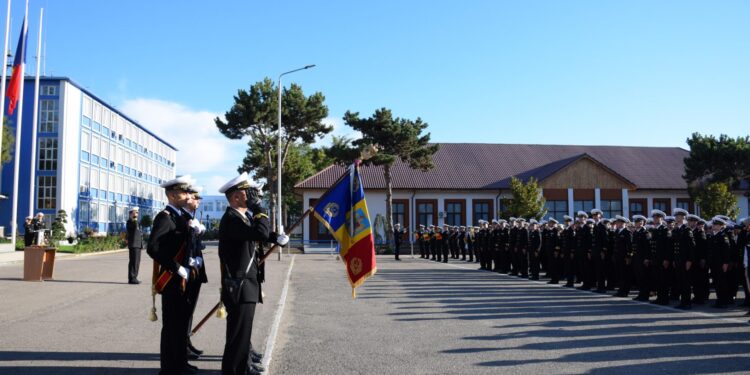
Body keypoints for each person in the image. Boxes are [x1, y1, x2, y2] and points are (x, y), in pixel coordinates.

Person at [218, 172, 288, 375]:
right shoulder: (231, 219)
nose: (252, 196)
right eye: (248, 193)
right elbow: (258, 233)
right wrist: (259, 209)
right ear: (236, 197)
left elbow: (257, 235)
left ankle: (243, 367)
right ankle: (234, 371)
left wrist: (276, 238)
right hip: (239, 285)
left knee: (243, 334)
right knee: (238, 335)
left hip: (245, 283)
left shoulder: (240, 218)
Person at [146, 175, 196, 375]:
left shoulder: (181, 216)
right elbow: (153, 248)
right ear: (173, 195)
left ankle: (180, 364)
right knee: (171, 327)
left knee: (181, 324)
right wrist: (175, 267)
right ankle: (169, 369)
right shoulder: (165, 217)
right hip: (171, 279)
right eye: (184, 192)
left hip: (183, 278)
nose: (188, 196)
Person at [183, 184, 208, 360]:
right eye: (195, 198)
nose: (197, 201)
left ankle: (186, 342)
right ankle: (183, 346)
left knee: (189, 310)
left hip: (195, 270)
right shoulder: (181, 217)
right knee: (184, 311)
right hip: (185, 271)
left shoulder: (192, 216)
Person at [126, 207, 143, 284]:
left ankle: (134, 277)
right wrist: (134, 218)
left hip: (137, 245)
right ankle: (132, 278)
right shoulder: (130, 222)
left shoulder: (136, 222)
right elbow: (135, 226)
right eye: (135, 212)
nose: (137, 214)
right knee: (133, 262)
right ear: (131, 213)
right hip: (134, 244)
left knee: (137, 262)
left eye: (137, 213)